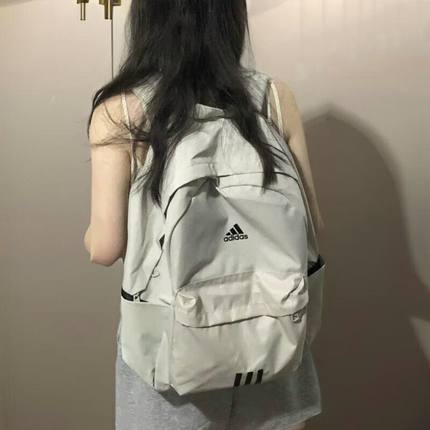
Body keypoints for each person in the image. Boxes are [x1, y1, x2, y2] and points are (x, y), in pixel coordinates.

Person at [83, 1, 325, 429]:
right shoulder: (272, 97)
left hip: (173, 362)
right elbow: (313, 227)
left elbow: (104, 248)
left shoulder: (121, 111)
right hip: (273, 347)